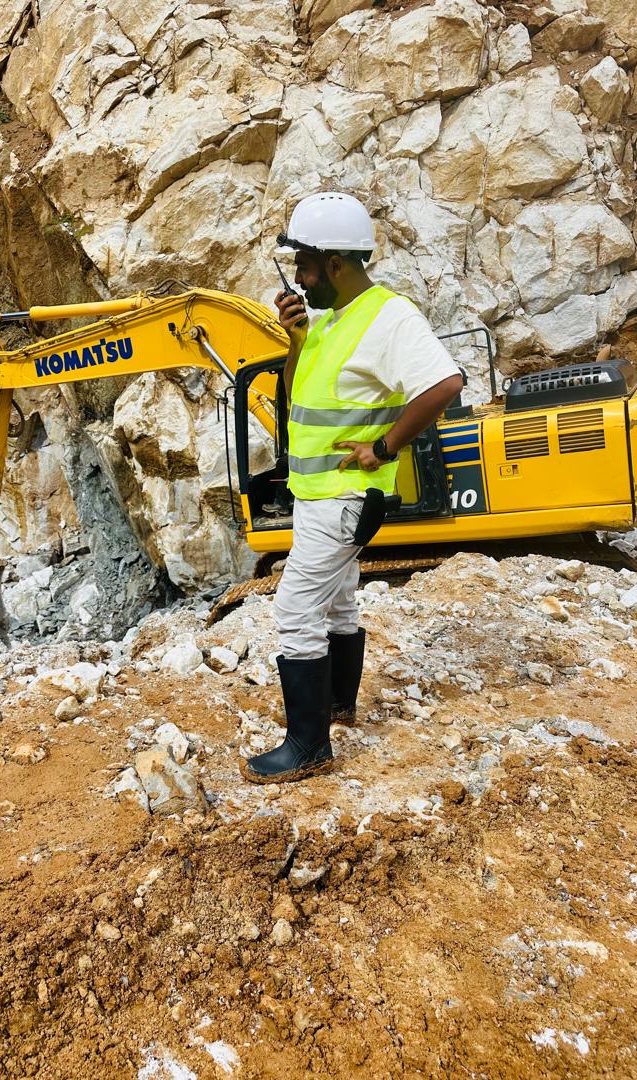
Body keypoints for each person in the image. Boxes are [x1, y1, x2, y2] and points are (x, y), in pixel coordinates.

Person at [241, 192, 463, 785]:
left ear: (335, 263)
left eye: (304, 266)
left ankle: (308, 747)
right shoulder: (327, 321)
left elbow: (445, 383)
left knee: (294, 610)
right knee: (338, 602)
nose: (297, 278)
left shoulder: (389, 317)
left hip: (344, 498)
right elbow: (297, 396)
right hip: (320, 497)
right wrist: (294, 339)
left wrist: (384, 447)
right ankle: (338, 705)